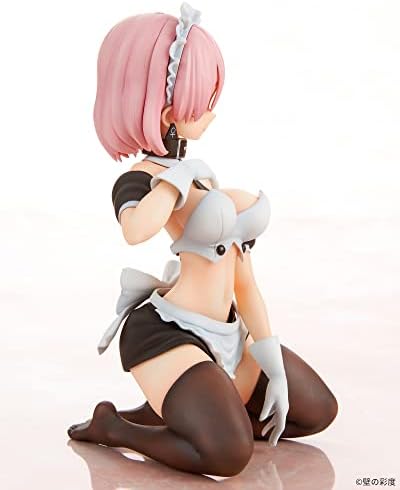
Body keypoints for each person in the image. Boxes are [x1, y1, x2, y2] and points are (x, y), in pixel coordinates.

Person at [67, 3, 338, 477]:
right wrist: (174, 179)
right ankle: (117, 427)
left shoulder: (202, 179)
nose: (211, 111)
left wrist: (270, 356)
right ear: (166, 110)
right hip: (168, 335)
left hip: (228, 332)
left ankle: (184, 411)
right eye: (203, 99)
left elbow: (243, 280)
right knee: (228, 455)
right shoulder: (144, 178)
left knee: (317, 409)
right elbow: (136, 230)